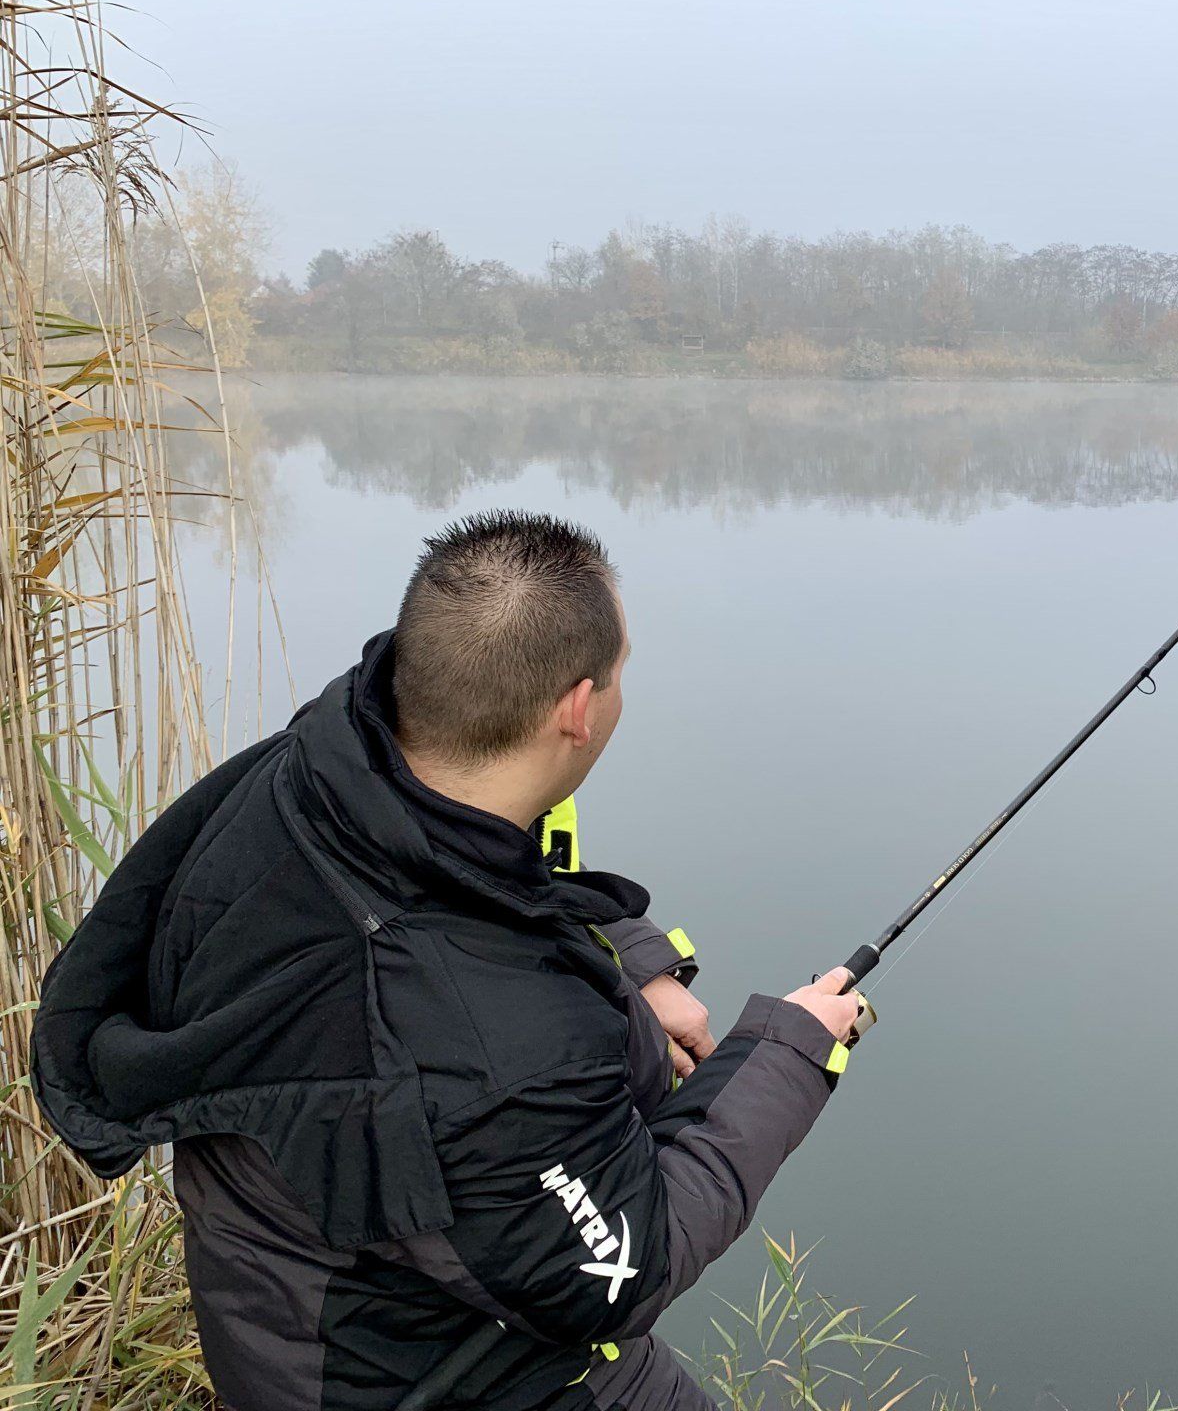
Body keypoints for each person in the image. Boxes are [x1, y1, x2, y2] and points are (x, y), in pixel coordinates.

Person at [32, 510, 861, 1410]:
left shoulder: (312, 775)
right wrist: (788, 1048)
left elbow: (495, 879)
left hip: (295, 1321)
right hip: (424, 1379)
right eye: (620, 674)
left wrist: (630, 964)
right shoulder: (499, 1055)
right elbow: (621, 1272)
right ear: (577, 711)